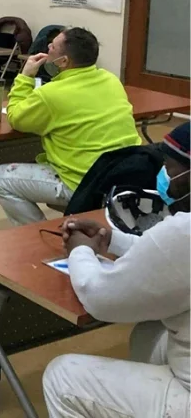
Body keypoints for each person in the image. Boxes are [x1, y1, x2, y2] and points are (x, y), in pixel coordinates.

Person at [42, 122, 190, 418]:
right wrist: (112, 240)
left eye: (171, 170)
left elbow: (99, 298)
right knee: (150, 333)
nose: (164, 177)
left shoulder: (184, 232)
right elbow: (171, 262)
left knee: (63, 376)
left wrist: (80, 251)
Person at [0, 27, 141, 226]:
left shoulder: (52, 94)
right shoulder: (111, 80)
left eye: (51, 47)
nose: (47, 48)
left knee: (0, 178)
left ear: (63, 62)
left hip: (83, 183)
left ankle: (34, 236)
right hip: (125, 176)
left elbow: (16, 117)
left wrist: (25, 76)